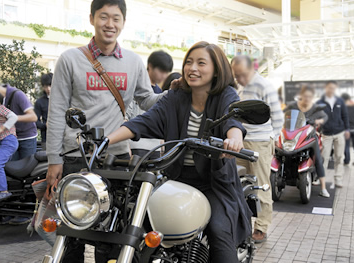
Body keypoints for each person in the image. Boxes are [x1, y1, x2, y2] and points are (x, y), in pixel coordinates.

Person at [106, 41, 252, 262]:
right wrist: (106, 140)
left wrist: (234, 139)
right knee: (137, 223)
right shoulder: (176, 97)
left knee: (219, 232)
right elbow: (145, 121)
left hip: (214, 183)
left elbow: (233, 119)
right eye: (189, 62)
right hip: (175, 180)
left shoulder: (225, 95)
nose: (192, 68)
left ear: (216, 70)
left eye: (201, 63)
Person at [46, 0, 163, 262]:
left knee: (112, 235)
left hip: (117, 158)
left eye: (116, 18)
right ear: (91, 19)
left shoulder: (134, 62)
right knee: (70, 232)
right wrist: (54, 159)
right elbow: (57, 112)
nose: (110, 24)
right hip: (76, 157)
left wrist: (175, 91)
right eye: (103, 17)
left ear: (123, 22)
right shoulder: (70, 59)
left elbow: (146, 100)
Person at [231, 55, 283, 243]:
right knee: (237, 184)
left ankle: (261, 226)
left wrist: (272, 138)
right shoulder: (237, 87)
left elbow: (277, 116)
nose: (239, 79)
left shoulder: (264, 85)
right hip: (239, 141)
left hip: (260, 141)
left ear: (252, 69)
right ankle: (241, 224)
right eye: (236, 76)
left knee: (261, 185)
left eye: (242, 75)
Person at [286, 85, 330, 197]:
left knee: (318, 159)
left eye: (310, 96)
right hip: (294, 135)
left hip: (310, 136)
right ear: (301, 95)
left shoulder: (315, 108)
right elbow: (283, 115)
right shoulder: (293, 106)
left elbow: (325, 117)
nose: (307, 98)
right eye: (305, 96)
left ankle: (323, 188)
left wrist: (320, 120)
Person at [128, 51, 173, 158]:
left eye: (166, 72)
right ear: (150, 66)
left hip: (154, 148)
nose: (164, 76)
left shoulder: (159, 91)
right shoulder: (136, 87)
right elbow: (126, 117)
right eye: (161, 71)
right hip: (136, 145)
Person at [0, 75, 37, 161]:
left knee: (26, 170)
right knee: (11, 170)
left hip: (26, 138)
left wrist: (12, 118)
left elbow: (33, 117)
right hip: (8, 139)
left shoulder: (17, 94)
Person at [317, 81, 350, 188]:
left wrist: (347, 129)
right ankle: (320, 178)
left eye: (333, 88)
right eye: (330, 88)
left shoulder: (340, 101)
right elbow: (316, 116)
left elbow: (345, 116)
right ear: (325, 88)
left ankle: (338, 179)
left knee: (339, 157)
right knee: (324, 157)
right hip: (326, 133)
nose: (331, 90)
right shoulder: (320, 102)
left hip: (339, 132)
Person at [0, 90, 18, 203]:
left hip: (9, 142)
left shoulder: (1, 109)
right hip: (1, 143)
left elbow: (14, 117)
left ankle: (3, 191)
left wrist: (2, 128)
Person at [35, 73, 52, 147]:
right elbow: (35, 122)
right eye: (45, 86)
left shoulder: (63, 99)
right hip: (46, 139)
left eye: (50, 85)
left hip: (64, 137)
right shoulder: (40, 102)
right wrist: (45, 125)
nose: (48, 89)